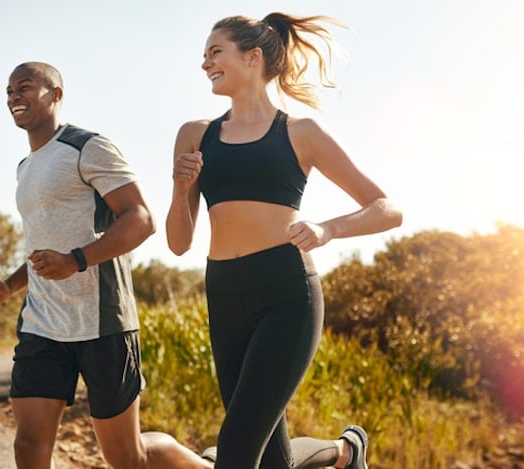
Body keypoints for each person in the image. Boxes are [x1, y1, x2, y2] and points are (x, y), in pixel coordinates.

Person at [166, 12, 403, 469]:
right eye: (203, 55)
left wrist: (327, 229)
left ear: (252, 57)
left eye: (215, 52)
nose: (205, 63)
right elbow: (178, 243)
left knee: (234, 454)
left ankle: (343, 452)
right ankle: (344, 452)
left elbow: (387, 209)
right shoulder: (195, 135)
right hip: (224, 293)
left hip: (286, 295)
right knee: (271, 461)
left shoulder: (301, 133)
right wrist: (179, 190)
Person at [0, 61, 213, 469]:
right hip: (42, 324)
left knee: (127, 458)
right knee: (29, 446)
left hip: (102, 321)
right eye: (9, 90)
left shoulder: (88, 147)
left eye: (25, 86)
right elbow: (42, 247)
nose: (14, 96)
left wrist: (76, 261)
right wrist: (9, 287)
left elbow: (141, 218)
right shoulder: (25, 168)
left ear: (56, 94)